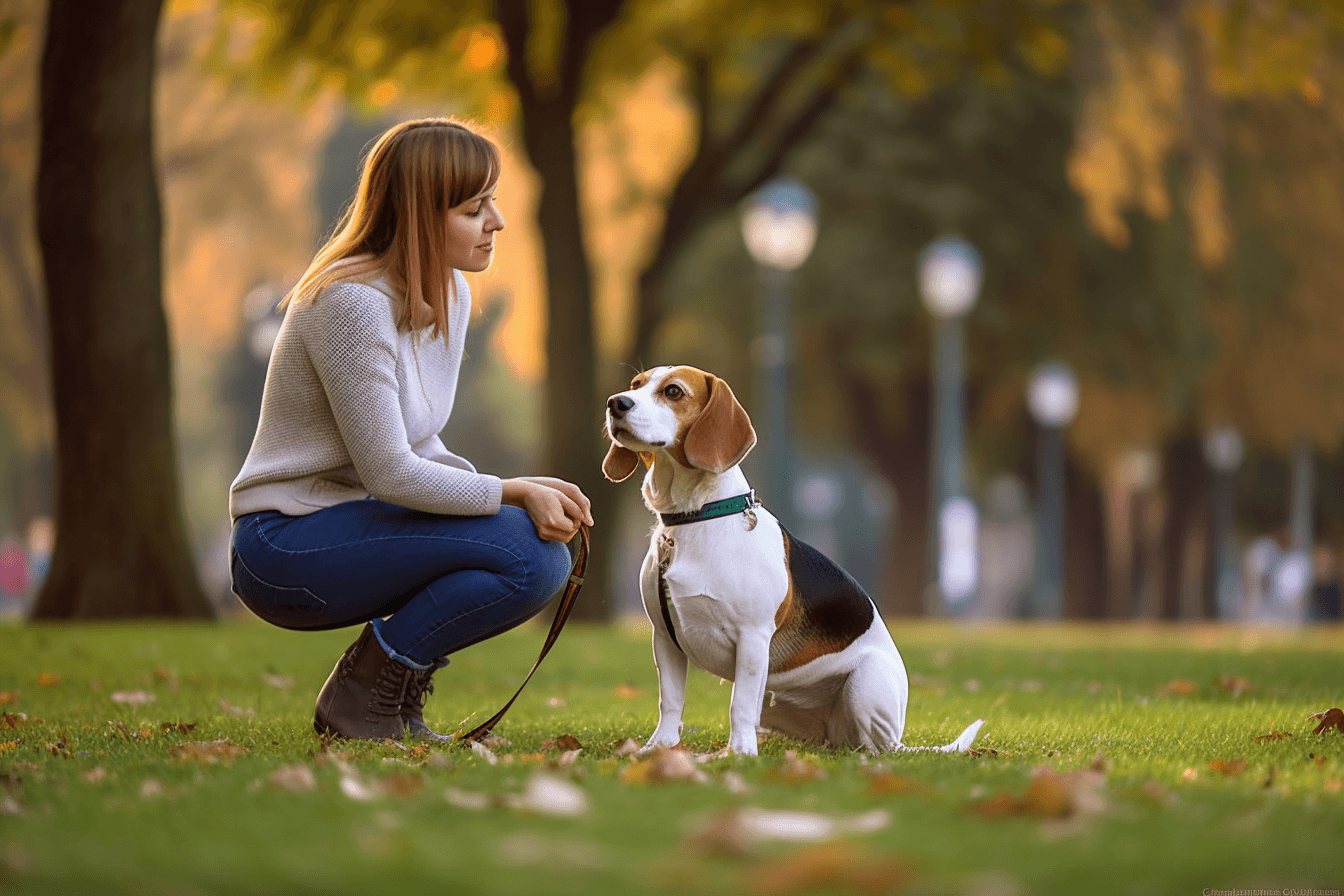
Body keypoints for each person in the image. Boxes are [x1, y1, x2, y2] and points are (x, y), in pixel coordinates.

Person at [228, 118, 593, 742]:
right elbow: (390, 471)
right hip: (282, 548)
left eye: (493, 203)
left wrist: (519, 491)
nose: (497, 223)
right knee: (522, 549)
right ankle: (365, 689)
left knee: (538, 560)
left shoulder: (447, 293)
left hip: (357, 524)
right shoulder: (349, 304)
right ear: (423, 215)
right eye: (475, 209)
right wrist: (511, 492)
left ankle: (383, 695)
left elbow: (421, 448)